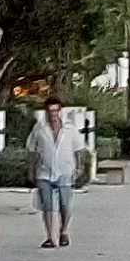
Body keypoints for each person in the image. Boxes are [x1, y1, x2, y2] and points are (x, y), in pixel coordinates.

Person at [30, 95, 79, 249]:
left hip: (65, 171)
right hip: (44, 171)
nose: (53, 114)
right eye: (50, 111)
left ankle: (63, 231)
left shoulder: (70, 129)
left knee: (65, 205)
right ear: (46, 112)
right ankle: (50, 237)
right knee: (47, 205)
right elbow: (32, 151)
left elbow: (78, 149)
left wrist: (79, 167)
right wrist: (31, 170)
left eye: (56, 111)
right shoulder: (39, 129)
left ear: (60, 111)